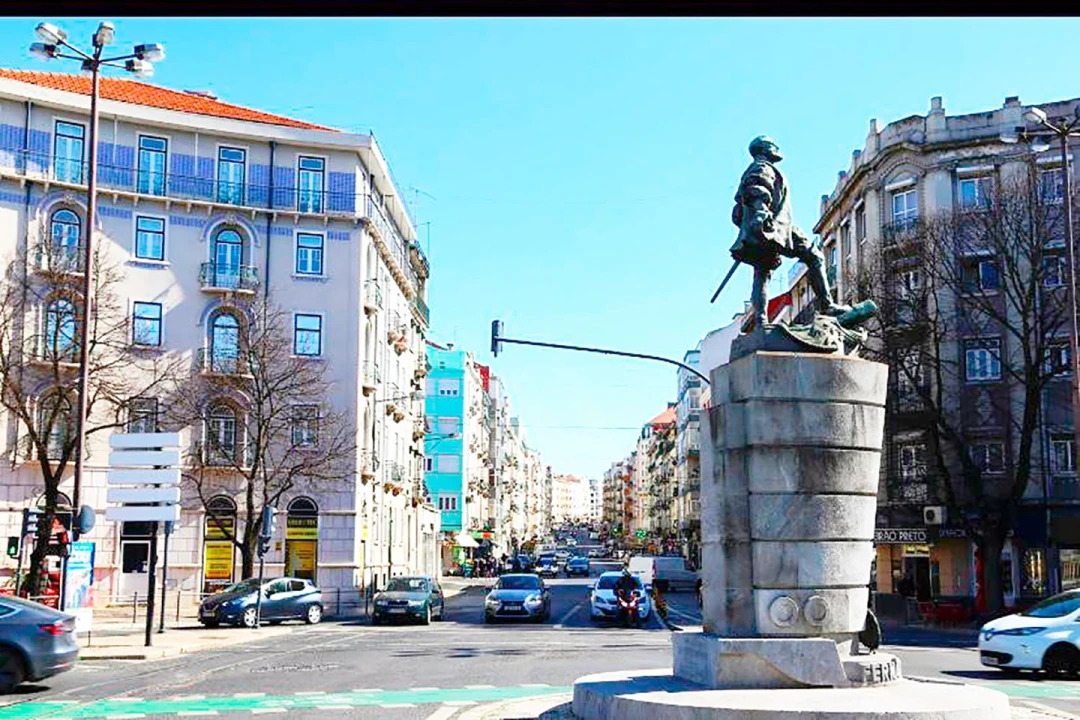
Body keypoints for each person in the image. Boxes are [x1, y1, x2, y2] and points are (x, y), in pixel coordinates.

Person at [730, 136, 850, 331]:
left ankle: (761, 322)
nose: (777, 148)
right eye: (773, 145)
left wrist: (750, 224)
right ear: (766, 148)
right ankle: (827, 306)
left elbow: (737, 211)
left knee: (762, 273)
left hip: (762, 229)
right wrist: (761, 214)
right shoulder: (763, 168)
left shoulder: (752, 170)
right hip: (775, 227)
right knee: (814, 256)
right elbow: (758, 190)